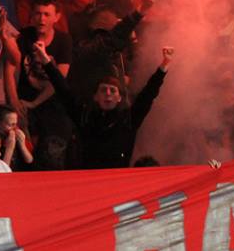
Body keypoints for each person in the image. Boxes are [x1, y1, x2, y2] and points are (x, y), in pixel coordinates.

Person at [33, 42, 172, 169]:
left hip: (117, 180)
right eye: (103, 90)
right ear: (96, 97)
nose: (108, 94)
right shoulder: (85, 117)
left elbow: (148, 95)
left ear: (119, 98)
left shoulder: (128, 120)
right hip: (88, 179)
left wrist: (164, 66)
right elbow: (63, 90)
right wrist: (45, 60)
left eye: (113, 90)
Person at [9, 0, 74, 169]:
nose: (41, 19)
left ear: (56, 17)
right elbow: (9, 68)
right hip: (25, 106)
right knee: (24, 158)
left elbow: (59, 78)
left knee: (51, 159)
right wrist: (14, 101)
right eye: (37, 13)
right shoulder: (23, 37)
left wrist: (35, 103)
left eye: (46, 14)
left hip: (53, 108)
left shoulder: (64, 41)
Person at [0, 104, 33, 170]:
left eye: (15, 124)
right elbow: (1, 170)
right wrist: (9, 148)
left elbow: (30, 161)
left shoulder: (16, 137)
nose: (15, 128)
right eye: (10, 125)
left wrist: (22, 145)